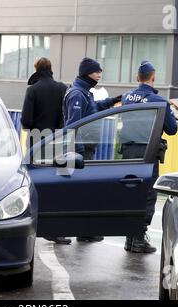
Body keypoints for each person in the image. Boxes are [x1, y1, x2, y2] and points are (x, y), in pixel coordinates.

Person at [121, 61, 178, 253]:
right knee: (146, 195)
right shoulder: (160, 101)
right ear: (153, 78)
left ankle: (130, 238)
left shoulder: (127, 97)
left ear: (137, 78)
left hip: (127, 153)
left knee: (129, 193)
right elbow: (172, 129)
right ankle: (138, 238)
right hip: (147, 154)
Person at [63, 57, 121, 242]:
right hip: (82, 151)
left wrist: (114, 101)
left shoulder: (85, 93)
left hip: (86, 149)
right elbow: (73, 125)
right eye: (97, 71)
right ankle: (84, 231)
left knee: (84, 192)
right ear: (87, 72)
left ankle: (84, 230)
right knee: (83, 193)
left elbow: (95, 109)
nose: (100, 74)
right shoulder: (77, 94)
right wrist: (79, 151)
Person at [21, 57, 71, 245]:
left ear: (36, 68)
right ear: (51, 68)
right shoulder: (62, 88)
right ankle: (55, 230)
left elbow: (25, 120)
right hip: (56, 141)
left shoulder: (32, 90)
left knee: (33, 185)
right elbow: (64, 117)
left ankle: (29, 226)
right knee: (55, 185)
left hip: (35, 141)